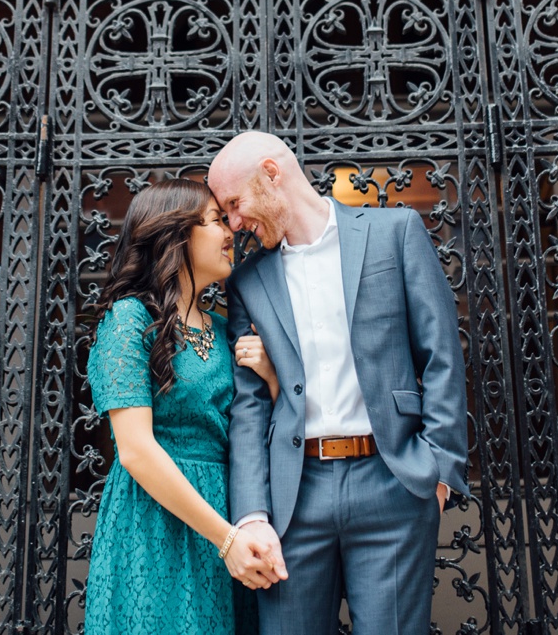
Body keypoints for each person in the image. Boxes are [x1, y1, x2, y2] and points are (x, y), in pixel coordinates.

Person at [208, 132, 471, 635]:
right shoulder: (247, 281)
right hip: (293, 499)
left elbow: (441, 356)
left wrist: (438, 469)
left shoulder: (395, 231)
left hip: (392, 484)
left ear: (271, 172)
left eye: (235, 204)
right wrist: (251, 515)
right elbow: (248, 408)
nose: (234, 223)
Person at [83, 178, 286, 635]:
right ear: (176, 234)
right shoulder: (129, 319)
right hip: (156, 521)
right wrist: (225, 538)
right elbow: (134, 450)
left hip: (227, 510)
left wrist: (273, 379)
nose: (230, 232)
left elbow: (261, 434)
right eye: (216, 221)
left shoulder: (223, 326)